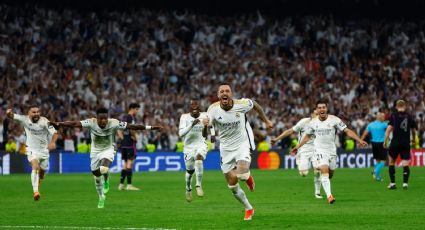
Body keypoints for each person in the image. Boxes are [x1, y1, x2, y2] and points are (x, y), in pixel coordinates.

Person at [50, 108, 162, 208]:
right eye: (101, 119)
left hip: (108, 149)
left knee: (103, 169)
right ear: (96, 118)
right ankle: (101, 197)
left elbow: (132, 126)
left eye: (105, 118)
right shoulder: (91, 122)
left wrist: (151, 127)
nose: (103, 121)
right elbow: (75, 123)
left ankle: (106, 179)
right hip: (95, 152)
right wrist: (60, 123)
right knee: (96, 176)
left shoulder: (114, 123)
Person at [203, 83, 273, 221]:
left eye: (227, 91)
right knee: (232, 184)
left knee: (241, 174)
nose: (224, 93)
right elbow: (206, 132)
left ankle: (248, 177)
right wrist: (205, 126)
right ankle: (248, 208)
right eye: (221, 91)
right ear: (218, 96)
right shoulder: (212, 109)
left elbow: (256, 105)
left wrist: (266, 120)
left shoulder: (242, 104)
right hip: (225, 148)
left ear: (231, 94)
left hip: (242, 143)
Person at [292, 100, 367, 204]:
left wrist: (359, 140)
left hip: (331, 151)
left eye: (324, 107)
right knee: (324, 170)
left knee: (330, 174)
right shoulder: (312, 123)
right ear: (317, 110)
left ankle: (320, 169)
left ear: (326, 109)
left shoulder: (335, 120)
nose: (322, 109)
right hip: (319, 150)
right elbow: (307, 136)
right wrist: (298, 146)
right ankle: (329, 196)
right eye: (319, 108)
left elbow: (347, 131)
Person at [6, 105, 58, 201]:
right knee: (35, 166)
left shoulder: (45, 121)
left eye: (38, 112)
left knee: (42, 173)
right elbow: (12, 116)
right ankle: (36, 192)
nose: (36, 114)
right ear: (29, 113)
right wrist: (8, 113)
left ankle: (39, 180)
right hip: (31, 149)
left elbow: (55, 133)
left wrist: (53, 143)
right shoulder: (24, 119)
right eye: (34, 112)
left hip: (44, 150)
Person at [271, 110, 323, 199]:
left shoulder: (322, 124)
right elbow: (290, 131)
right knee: (304, 174)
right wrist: (277, 139)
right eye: (316, 114)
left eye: (319, 114)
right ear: (312, 114)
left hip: (316, 150)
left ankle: (317, 193)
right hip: (303, 149)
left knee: (318, 171)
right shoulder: (304, 122)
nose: (318, 116)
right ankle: (298, 159)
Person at [179, 98, 211, 202]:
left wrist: (207, 127)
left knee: (199, 158)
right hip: (188, 147)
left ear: (199, 108)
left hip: (201, 144)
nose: (194, 108)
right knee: (189, 172)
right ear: (189, 108)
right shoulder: (184, 117)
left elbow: (205, 135)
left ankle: (198, 185)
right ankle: (188, 189)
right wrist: (192, 124)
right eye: (192, 106)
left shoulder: (205, 116)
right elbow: (181, 134)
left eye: (196, 107)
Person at [384, 100, 417, 190]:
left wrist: (385, 141)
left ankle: (393, 183)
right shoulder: (409, 116)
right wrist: (413, 140)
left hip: (395, 142)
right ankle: (405, 184)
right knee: (405, 163)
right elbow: (414, 130)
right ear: (405, 106)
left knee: (391, 162)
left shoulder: (393, 116)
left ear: (396, 107)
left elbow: (388, 129)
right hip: (405, 143)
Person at [117, 103, 141, 191]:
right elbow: (131, 129)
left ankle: (121, 184)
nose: (137, 111)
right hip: (130, 143)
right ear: (132, 109)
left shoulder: (123, 118)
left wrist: (123, 139)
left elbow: (119, 130)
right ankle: (129, 185)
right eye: (137, 109)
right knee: (130, 162)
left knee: (125, 163)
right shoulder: (130, 117)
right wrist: (135, 137)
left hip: (124, 143)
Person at [360, 112, 388, 181]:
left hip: (374, 144)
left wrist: (360, 141)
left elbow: (365, 134)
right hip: (381, 143)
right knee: (384, 161)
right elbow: (390, 128)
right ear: (379, 117)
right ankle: (375, 171)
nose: (384, 118)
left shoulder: (370, 125)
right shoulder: (384, 125)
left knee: (378, 161)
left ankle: (378, 177)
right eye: (383, 117)